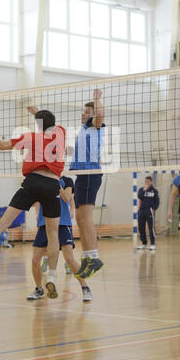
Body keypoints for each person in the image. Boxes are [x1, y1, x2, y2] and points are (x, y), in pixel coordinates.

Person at [0, 109, 66, 299]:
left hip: (32, 182)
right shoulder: (60, 132)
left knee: (2, 223)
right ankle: (51, 276)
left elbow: (2, 145)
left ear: (37, 125)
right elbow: (46, 121)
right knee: (53, 234)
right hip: (52, 183)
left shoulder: (29, 137)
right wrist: (39, 113)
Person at [27, 176, 92, 302]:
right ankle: (39, 289)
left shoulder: (66, 181)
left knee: (69, 259)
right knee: (35, 259)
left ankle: (85, 287)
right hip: (43, 223)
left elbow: (67, 198)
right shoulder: (41, 178)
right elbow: (35, 200)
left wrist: (55, 183)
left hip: (63, 223)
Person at [69, 89, 105, 279]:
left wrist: (96, 99)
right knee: (80, 218)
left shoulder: (94, 126)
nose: (83, 114)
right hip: (82, 175)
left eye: (86, 112)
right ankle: (87, 256)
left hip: (91, 173)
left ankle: (94, 257)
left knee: (86, 216)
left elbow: (99, 114)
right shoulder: (83, 131)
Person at [136, 176, 160, 251]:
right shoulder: (141, 189)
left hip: (149, 211)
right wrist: (144, 190)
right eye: (146, 181)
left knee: (151, 228)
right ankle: (144, 243)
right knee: (141, 227)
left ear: (151, 182)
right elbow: (139, 196)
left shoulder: (154, 191)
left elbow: (157, 201)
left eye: (148, 181)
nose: (146, 183)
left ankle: (152, 244)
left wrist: (153, 209)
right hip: (141, 211)